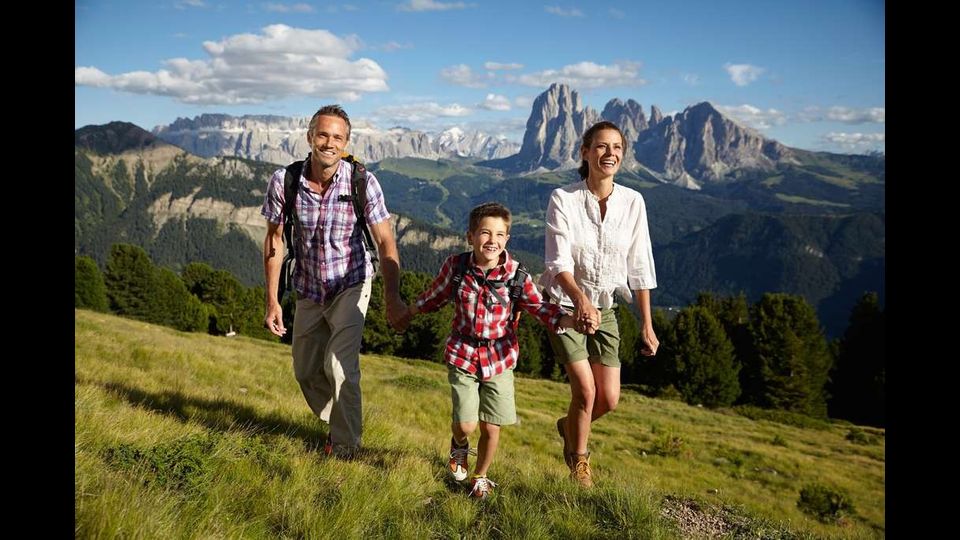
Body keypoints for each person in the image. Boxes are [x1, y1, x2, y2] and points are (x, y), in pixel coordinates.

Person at [396, 202, 577, 499]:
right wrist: (408, 312)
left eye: (499, 234)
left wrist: (570, 320)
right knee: (467, 423)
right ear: (470, 236)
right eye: (484, 233)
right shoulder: (456, 268)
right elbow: (434, 296)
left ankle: (481, 476)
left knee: (492, 428)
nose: (491, 240)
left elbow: (541, 308)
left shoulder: (517, 277)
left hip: (500, 358)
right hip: (463, 354)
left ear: (507, 239)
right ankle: (459, 444)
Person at [261, 104, 406, 459]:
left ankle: (345, 447)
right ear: (310, 137)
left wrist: (393, 298)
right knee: (306, 370)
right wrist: (272, 299)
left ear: (346, 142)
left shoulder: (362, 182)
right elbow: (274, 241)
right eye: (323, 135)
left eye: (337, 137)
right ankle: (339, 420)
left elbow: (386, 241)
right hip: (308, 287)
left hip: (351, 284)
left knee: (341, 368)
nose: (329, 143)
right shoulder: (285, 182)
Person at [540, 120, 660, 487]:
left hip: (605, 309)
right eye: (602, 147)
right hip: (563, 307)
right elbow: (557, 263)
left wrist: (646, 323)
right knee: (586, 391)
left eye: (617, 147)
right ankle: (580, 463)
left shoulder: (633, 202)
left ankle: (568, 428)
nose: (610, 154)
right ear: (585, 153)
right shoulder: (564, 199)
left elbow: (640, 265)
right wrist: (579, 302)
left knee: (608, 398)